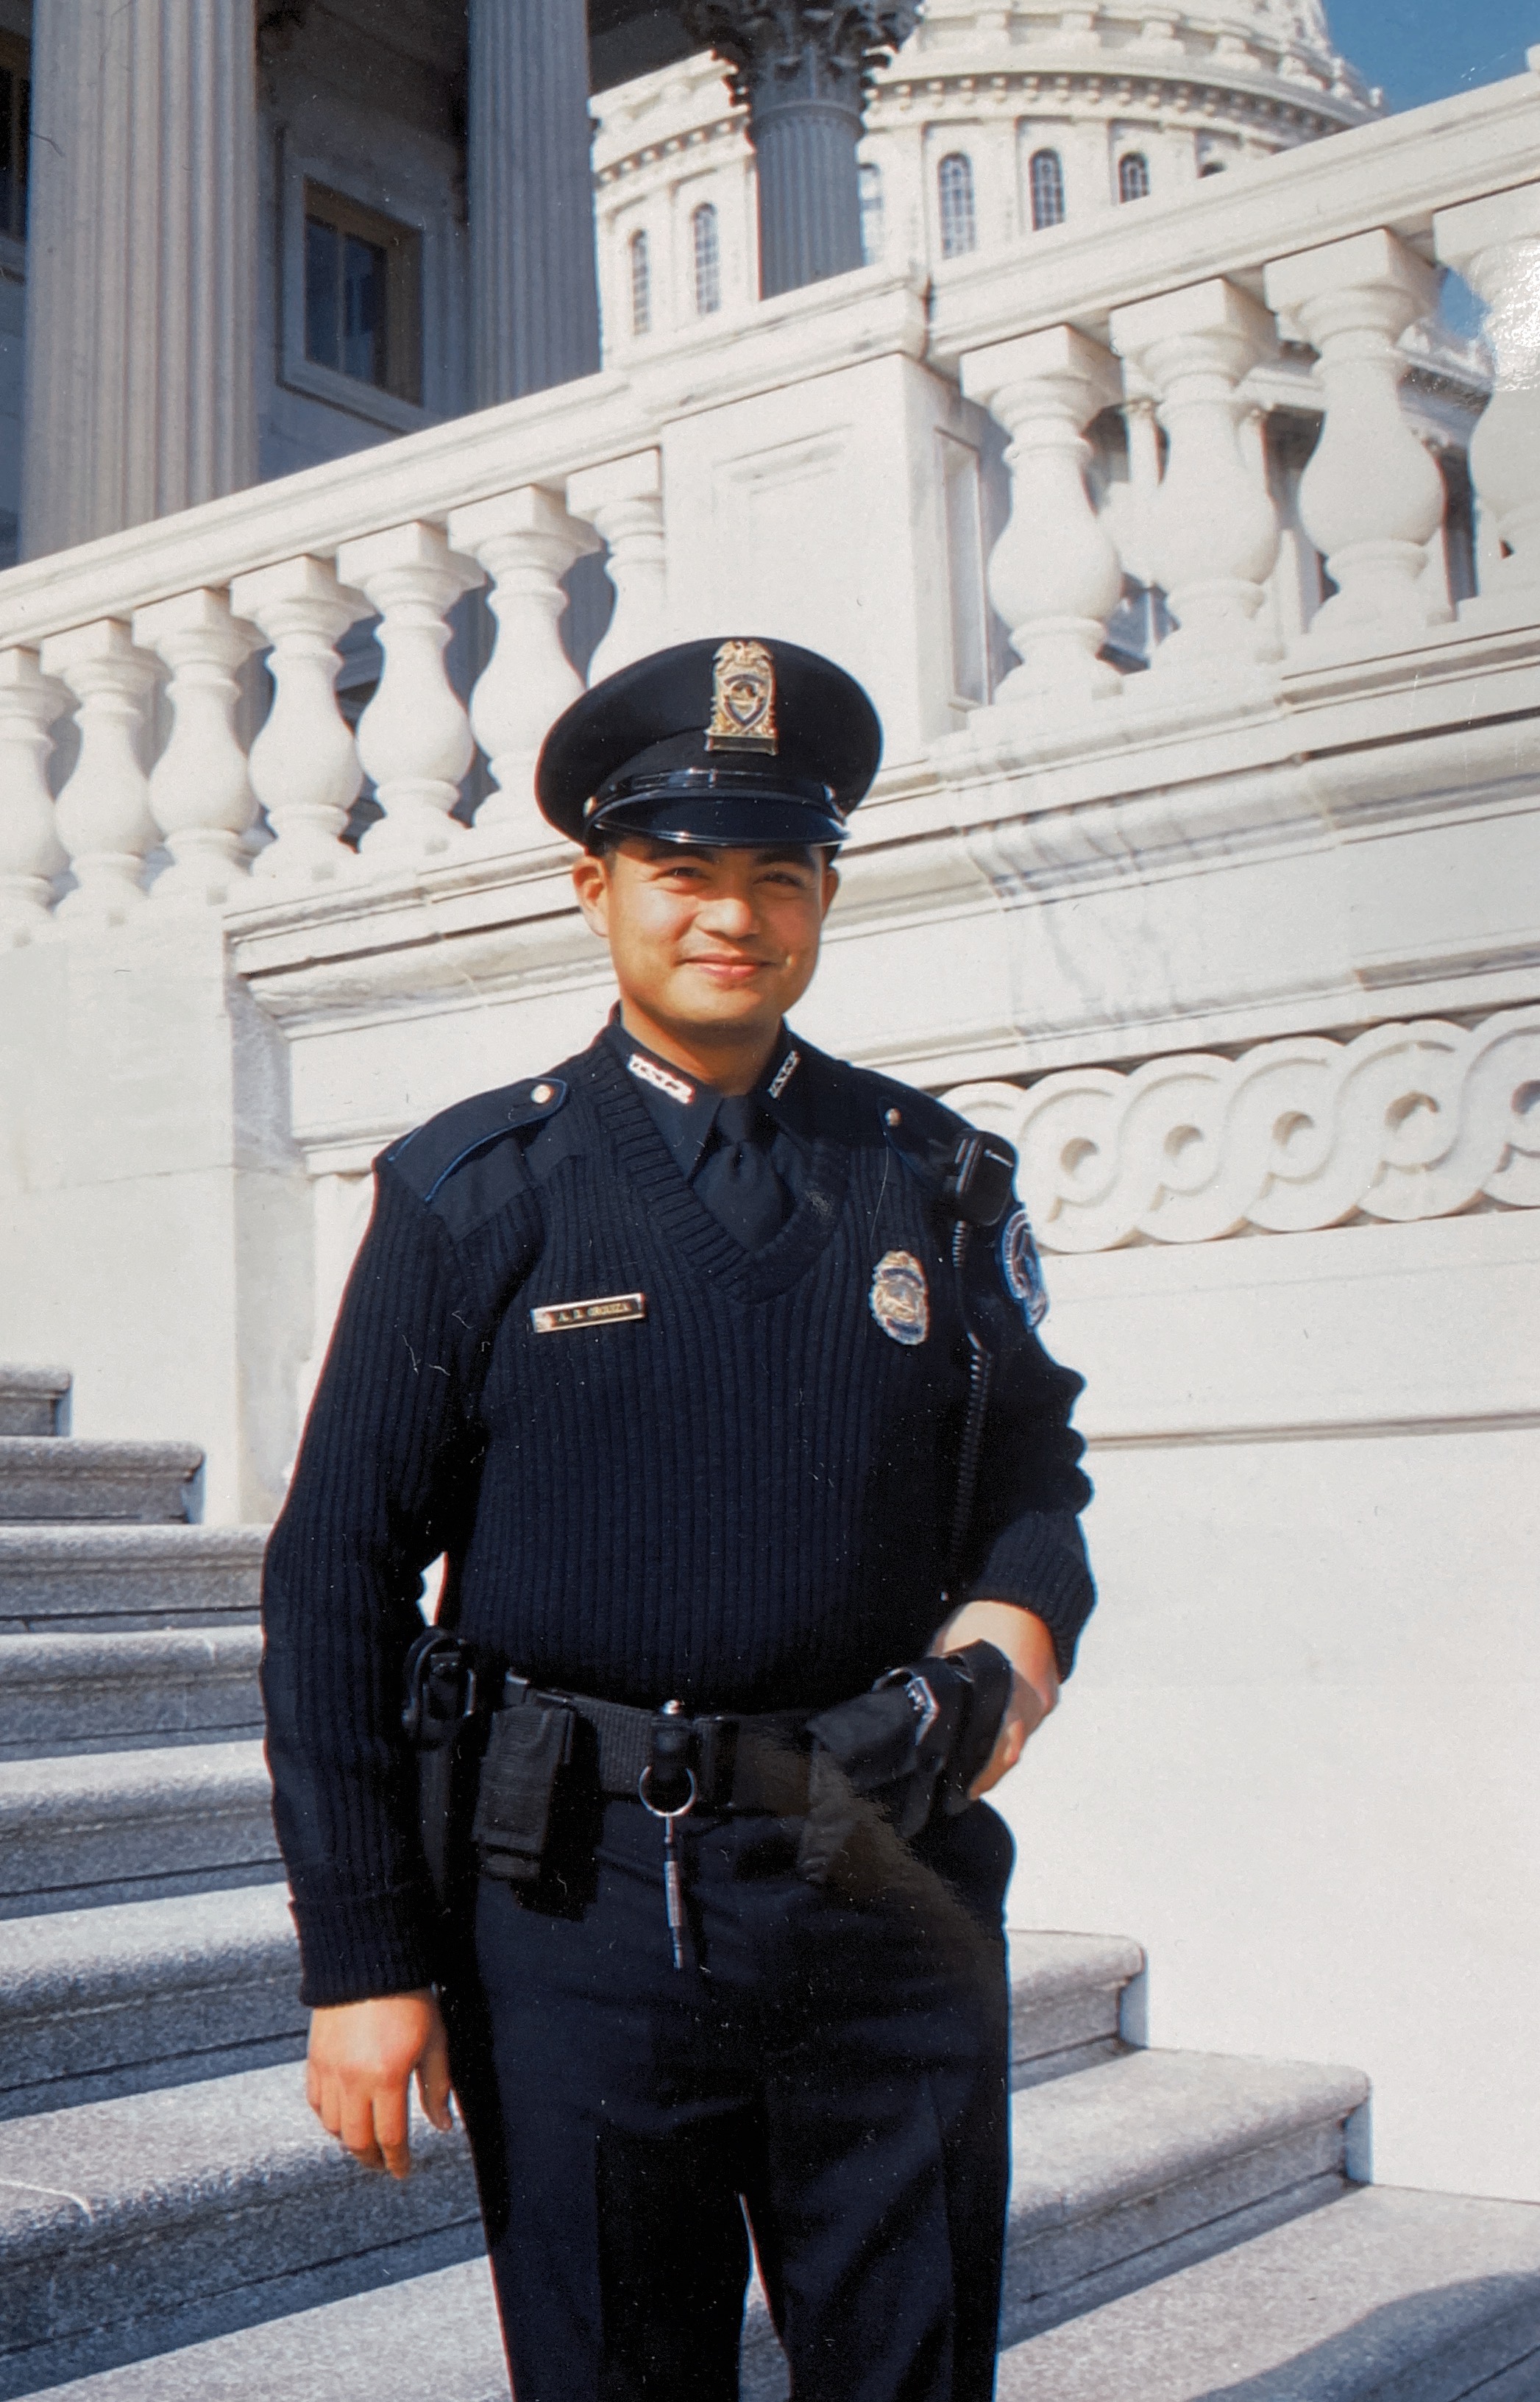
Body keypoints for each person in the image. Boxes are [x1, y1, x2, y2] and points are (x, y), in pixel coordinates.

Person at [260, 635, 1096, 2402]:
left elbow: (1035, 1470)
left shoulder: (931, 1180)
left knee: (911, 2368)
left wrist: (1008, 1648)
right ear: (597, 887)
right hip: (577, 1907)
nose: (733, 915)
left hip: (884, 1870)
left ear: (824, 898)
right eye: (683, 871)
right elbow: (335, 1573)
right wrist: (364, 1958)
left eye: (777, 875)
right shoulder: (480, 1192)